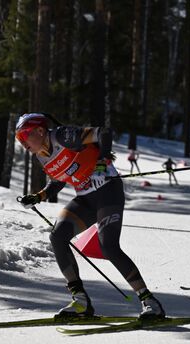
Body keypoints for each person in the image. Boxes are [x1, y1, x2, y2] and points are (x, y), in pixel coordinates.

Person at [15, 113, 165, 319]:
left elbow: (103, 133)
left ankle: (150, 302)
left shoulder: (62, 136)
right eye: (19, 139)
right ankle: (81, 302)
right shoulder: (42, 153)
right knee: (58, 236)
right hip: (86, 199)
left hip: (107, 191)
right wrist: (38, 196)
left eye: (24, 136)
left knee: (108, 246)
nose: (23, 143)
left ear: (40, 131)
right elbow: (58, 180)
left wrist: (102, 159)